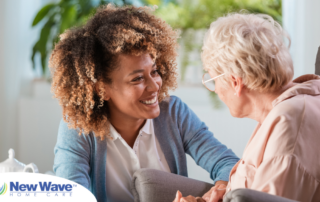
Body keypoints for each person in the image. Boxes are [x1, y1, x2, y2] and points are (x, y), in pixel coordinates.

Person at [50, 4, 239, 202]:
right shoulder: (78, 128)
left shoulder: (174, 113)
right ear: (101, 89)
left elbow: (227, 164)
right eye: (137, 79)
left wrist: (217, 192)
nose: (155, 86)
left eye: (154, 72)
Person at [174, 13, 320, 202]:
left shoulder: (289, 121)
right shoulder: (285, 110)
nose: (216, 90)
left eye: (213, 80)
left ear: (235, 82)